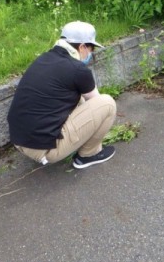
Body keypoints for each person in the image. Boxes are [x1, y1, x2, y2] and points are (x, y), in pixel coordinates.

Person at [7, 21, 117, 169]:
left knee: (77, 96)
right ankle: (88, 155)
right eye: (91, 49)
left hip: (20, 141)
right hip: (46, 150)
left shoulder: (44, 59)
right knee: (107, 104)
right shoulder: (78, 69)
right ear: (82, 46)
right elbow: (96, 103)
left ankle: (70, 144)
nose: (91, 54)